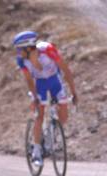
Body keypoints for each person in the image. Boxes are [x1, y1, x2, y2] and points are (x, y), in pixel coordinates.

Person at [13, 31, 78, 167]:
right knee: (39, 115)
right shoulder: (22, 60)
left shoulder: (48, 50)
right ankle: (36, 150)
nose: (18, 52)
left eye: (19, 49)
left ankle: (50, 134)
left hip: (55, 80)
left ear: (28, 47)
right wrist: (35, 97)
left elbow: (66, 70)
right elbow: (29, 81)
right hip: (39, 84)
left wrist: (73, 91)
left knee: (64, 116)